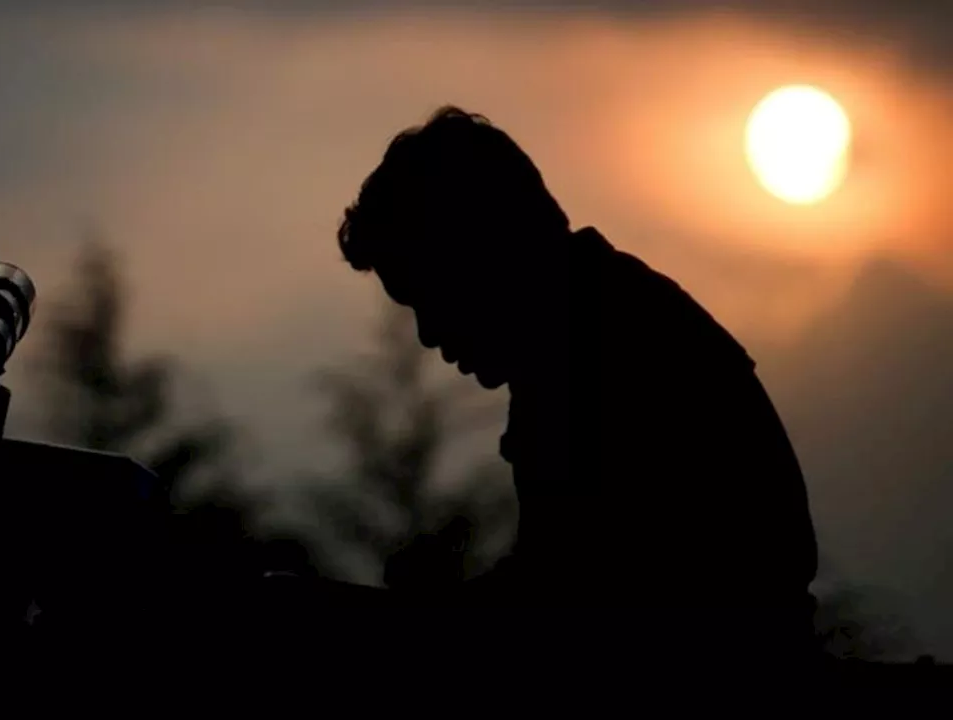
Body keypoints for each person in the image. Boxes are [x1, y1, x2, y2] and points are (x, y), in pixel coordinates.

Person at [334, 106, 820, 662]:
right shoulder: (601, 323)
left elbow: (571, 602)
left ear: (481, 260)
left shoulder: (600, 355)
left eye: (429, 296)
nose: (426, 335)